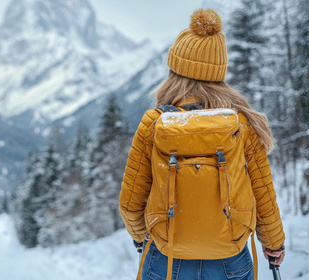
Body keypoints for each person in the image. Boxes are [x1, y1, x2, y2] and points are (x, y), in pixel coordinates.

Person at [119, 9, 285, 280]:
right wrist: (274, 244)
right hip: (230, 258)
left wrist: (141, 236)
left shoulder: (154, 123)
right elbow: (263, 194)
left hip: (167, 256)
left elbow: (130, 203)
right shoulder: (240, 124)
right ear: (219, 76)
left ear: (174, 72)